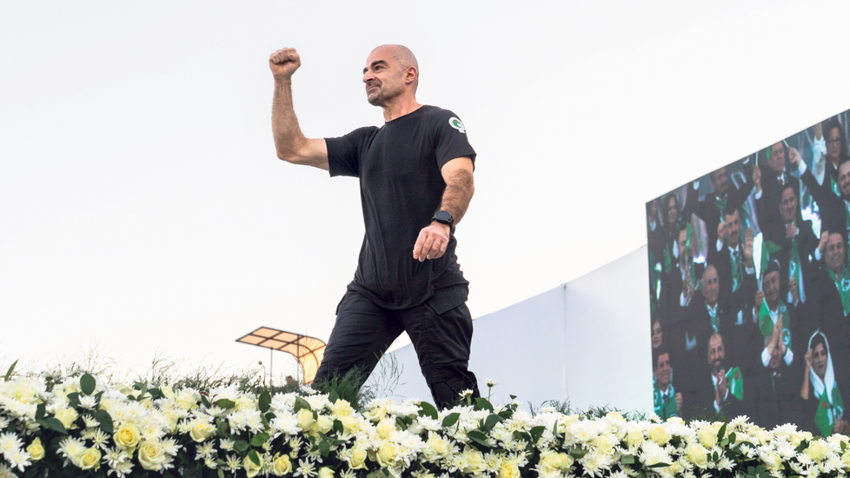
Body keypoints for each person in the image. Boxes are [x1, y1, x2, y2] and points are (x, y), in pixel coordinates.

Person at [269, 44, 479, 407]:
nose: (368, 76)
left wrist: (441, 222)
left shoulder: (438, 122)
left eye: (378, 68)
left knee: (456, 404)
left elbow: (461, 176)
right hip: (371, 292)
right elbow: (292, 148)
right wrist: (282, 82)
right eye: (365, 71)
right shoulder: (366, 142)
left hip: (433, 290)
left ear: (409, 74)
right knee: (327, 398)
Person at [800, 330, 849, 435]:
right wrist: (807, 368)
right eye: (816, 355)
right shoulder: (809, 389)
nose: (820, 359)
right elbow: (803, 409)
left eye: (823, 353)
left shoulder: (840, 384)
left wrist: (843, 424)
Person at [653, 347, 682, 420]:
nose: (665, 369)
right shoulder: (650, 396)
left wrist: (680, 411)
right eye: (661, 365)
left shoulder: (677, 394)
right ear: (655, 371)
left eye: (667, 363)